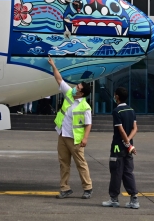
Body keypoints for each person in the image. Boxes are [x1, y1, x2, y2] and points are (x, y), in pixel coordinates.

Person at [47, 56, 93, 200]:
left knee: (81, 163)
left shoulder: (85, 106)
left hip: (75, 139)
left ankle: (88, 188)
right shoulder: (68, 93)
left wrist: (85, 138)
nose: (74, 88)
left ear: (82, 93)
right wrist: (53, 66)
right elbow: (59, 79)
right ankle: (65, 188)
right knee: (63, 163)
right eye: (76, 86)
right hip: (63, 135)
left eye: (78, 88)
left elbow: (88, 124)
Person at [102, 87, 140, 209]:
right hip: (129, 147)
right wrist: (130, 144)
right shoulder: (131, 110)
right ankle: (134, 199)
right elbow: (135, 129)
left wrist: (127, 143)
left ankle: (114, 199)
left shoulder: (117, 111)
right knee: (128, 172)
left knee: (116, 172)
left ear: (117, 96)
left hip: (118, 147)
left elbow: (121, 130)